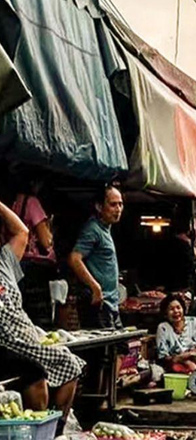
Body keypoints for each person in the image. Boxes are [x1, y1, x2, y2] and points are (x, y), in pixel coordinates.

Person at [0, 199, 84, 434]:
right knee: (37, 373)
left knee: (70, 363)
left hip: (25, 336)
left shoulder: (4, 261)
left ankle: (55, 428)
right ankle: (39, 431)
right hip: (7, 342)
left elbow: (22, 231)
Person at [68, 184, 124, 329]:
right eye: (113, 205)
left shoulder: (106, 229)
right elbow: (74, 258)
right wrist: (95, 287)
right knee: (101, 350)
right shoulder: (93, 229)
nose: (118, 209)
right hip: (100, 304)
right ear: (99, 207)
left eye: (120, 204)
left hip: (111, 304)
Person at [156, 293, 196, 374]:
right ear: (165, 313)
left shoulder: (193, 321)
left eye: (178, 307)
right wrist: (181, 360)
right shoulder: (163, 328)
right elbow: (163, 356)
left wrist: (188, 355)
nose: (176, 311)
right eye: (171, 309)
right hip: (175, 365)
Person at [11, 179, 55, 267]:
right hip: (31, 260)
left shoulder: (13, 201)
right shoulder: (31, 202)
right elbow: (46, 241)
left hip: (12, 255)